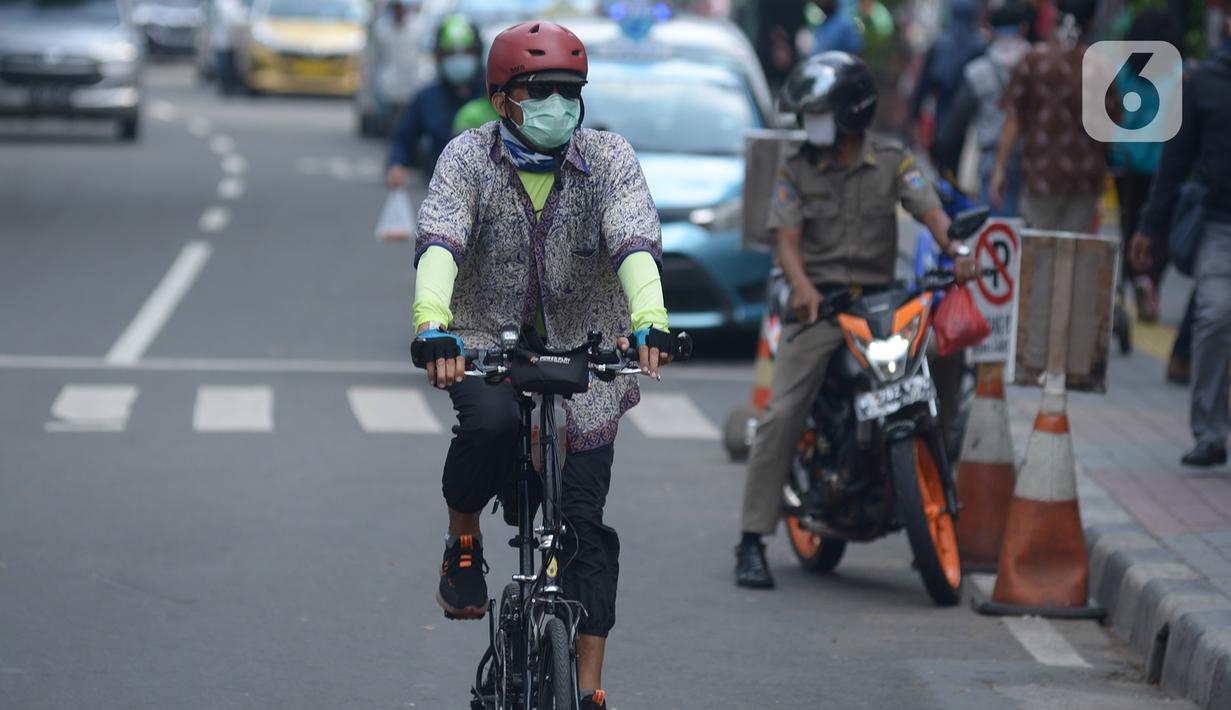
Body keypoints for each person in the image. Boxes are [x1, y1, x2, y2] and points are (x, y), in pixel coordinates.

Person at [409, 21, 673, 710]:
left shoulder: (609, 158)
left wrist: (652, 318)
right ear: (502, 100)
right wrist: (431, 326)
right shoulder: (467, 158)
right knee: (491, 425)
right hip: (484, 346)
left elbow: (634, 237)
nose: (559, 105)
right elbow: (440, 237)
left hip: (588, 351)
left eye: (569, 92)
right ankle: (461, 542)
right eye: (540, 91)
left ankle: (586, 690)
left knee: (585, 525)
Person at [733, 52, 977, 589]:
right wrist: (801, 287)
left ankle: (936, 466)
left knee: (946, 356)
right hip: (821, 308)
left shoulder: (892, 160)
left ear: (851, 112)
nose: (808, 122)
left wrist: (955, 248)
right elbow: (788, 243)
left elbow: (930, 211)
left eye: (817, 111)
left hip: (885, 304)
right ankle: (751, 541)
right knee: (783, 411)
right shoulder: (796, 169)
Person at [1130, 8, 1231, 467]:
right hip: (1219, 224)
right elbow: (1175, 161)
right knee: (1214, 313)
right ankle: (1210, 432)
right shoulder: (1204, 82)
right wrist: (1150, 228)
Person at [990, 0, 1110, 231]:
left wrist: (1000, 168)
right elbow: (1110, 125)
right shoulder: (1100, 65)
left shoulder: (1033, 60)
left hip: (1041, 176)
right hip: (1085, 180)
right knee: (1075, 253)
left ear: (1055, 18)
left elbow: (1014, 119)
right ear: (1092, 22)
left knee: (1039, 251)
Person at [931, 1, 1031, 216]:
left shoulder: (978, 70)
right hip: (1033, 157)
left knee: (997, 232)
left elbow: (956, 121)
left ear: (991, 30)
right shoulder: (1039, 65)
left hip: (992, 157)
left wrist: (940, 151)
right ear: (1024, 28)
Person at [1110, 9, 1177, 322]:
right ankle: (1150, 282)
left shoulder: (1125, 71)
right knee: (1158, 229)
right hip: (1162, 166)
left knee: (1129, 224)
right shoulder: (1176, 72)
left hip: (1125, 163)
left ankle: (1128, 284)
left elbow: (1114, 114)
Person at [385, 15, 486, 189]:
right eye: (451, 54)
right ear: (438, 57)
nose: (458, 59)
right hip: (442, 192)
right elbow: (402, 139)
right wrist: (396, 165)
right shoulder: (427, 99)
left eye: (465, 53)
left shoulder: (496, 94)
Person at [910, 0, 986, 144]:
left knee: (940, 148)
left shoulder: (940, 43)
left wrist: (915, 113)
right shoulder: (979, 46)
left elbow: (924, 82)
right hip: (967, 115)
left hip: (943, 107)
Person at [370, 0, 423, 128]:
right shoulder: (381, 29)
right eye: (397, 8)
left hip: (411, 80)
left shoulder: (418, 27)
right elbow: (375, 57)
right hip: (389, 82)